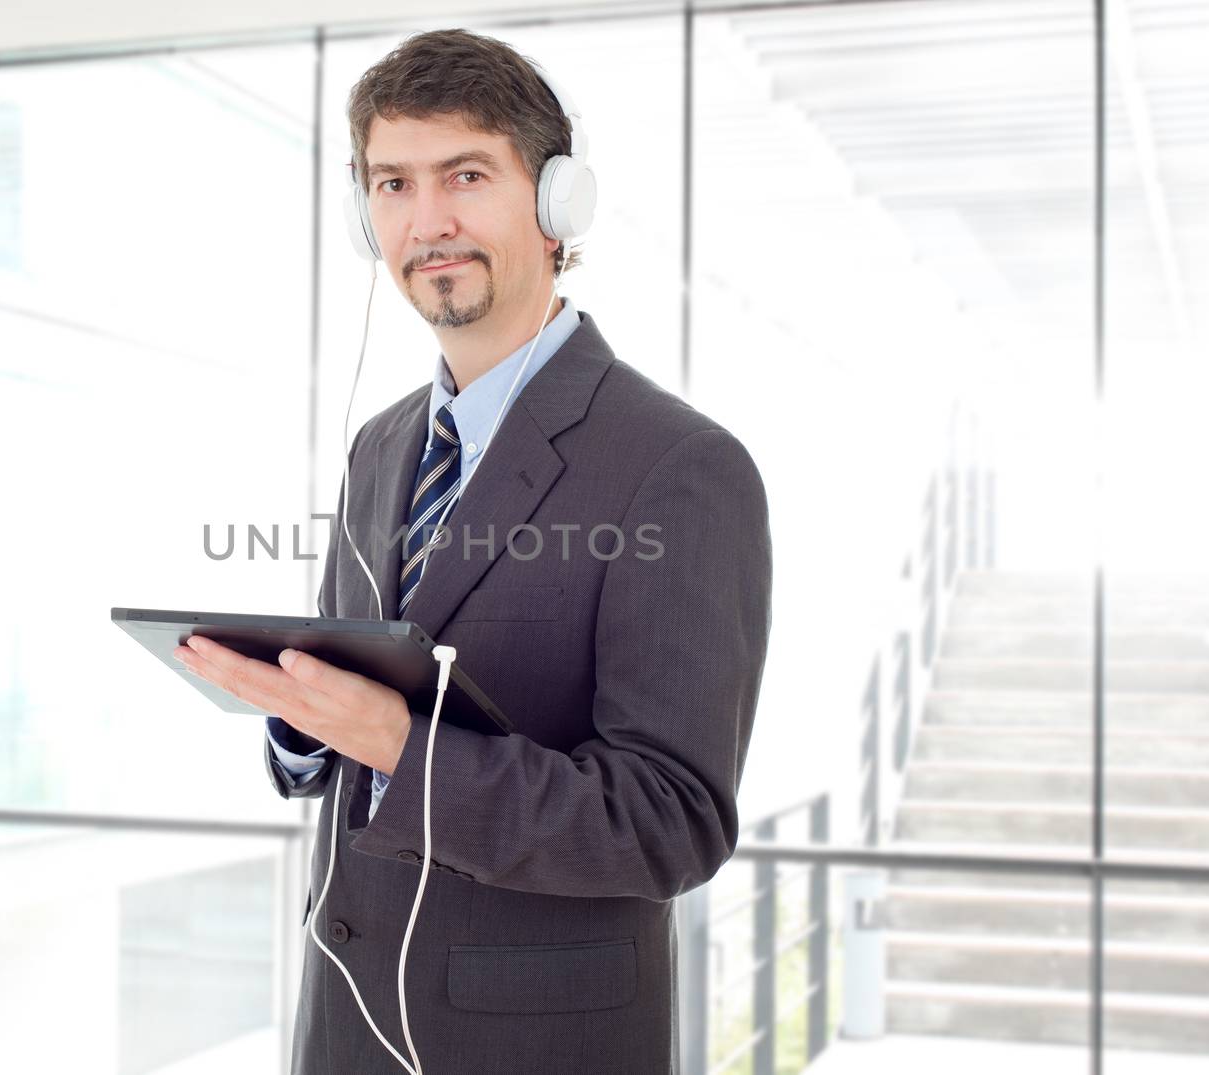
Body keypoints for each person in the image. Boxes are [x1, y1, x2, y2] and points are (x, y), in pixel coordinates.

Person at [172, 27, 772, 1074]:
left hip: (536, 1044)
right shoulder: (382, 446)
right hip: (347, 1026)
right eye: (392, 183)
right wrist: (303, 718)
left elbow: (669, 822)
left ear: (555, 205)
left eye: (464, 174)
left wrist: (401, 746)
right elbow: (360, 724)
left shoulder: (679, 465)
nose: (427, 220)